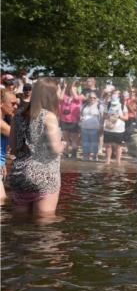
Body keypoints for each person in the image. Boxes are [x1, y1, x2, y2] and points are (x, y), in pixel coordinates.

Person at [6, 78, 63, 217]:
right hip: (44, 177)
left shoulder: (17, 115)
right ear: (51, 95)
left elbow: (13, 148)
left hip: (20, 175)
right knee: (44, 226)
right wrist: (63, 145)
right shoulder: (49, 116)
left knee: (19, 223)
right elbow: (55, 149)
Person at [58, 82, 83, 159]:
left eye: (74, 90)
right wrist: (64, 88)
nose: (72, 91)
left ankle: (74, 154)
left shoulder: (79, 97)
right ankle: (65, 153)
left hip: (74, 121)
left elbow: (75, 97)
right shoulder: (66, 97)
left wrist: (72, 87)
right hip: (64, 120)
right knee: (65, 139)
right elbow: (60, 98)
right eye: (71, 90)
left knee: (74, 139)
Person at [79, 92, 104, 161]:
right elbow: (81, 114)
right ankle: (86, 156)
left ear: (97, 98)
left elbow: (102, 117)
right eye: (90, 97)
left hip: (95, 128)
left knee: (95, 143)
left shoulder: (99, 106)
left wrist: (101, 126)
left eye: (94, 98)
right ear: (88, 98)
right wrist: (81, 118)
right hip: (84, 127)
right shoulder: (84, 105)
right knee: (85, 143)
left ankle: (94, 157)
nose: (92, 99)